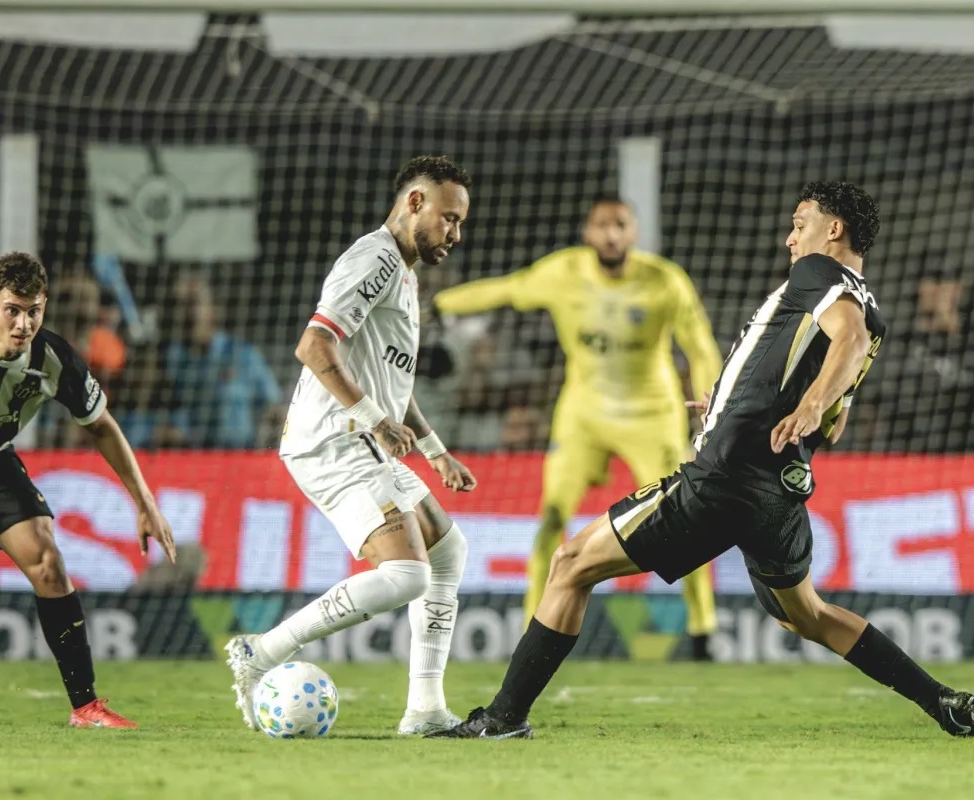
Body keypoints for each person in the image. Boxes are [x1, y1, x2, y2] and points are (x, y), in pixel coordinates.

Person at [430, 181, 974, 740]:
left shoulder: (819, 273)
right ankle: (940, 700)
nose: (790, 239)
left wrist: (806, 404)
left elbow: (841, 345)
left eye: (799, 225)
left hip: (727, 476)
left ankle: (503, 719)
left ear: (834, 229)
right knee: (807, 615)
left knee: (570, 563)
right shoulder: (874, 313)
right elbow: (835, 421)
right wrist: (736, 404)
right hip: (779, 490)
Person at [225, 155, 479, 736]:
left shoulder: (404, 274)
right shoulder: (374, 260)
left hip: (362, 436)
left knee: (448, 552)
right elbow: (314, 346)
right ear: (415, 202)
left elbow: (392, 385)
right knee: (408, 575)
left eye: (461, 223)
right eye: (449, 218)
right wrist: (373, 419)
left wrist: (435, 450)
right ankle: (262, 652)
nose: (455, 234)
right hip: (334, 438)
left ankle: (425, 710)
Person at [433, 196, 724, 659]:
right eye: (602, 225)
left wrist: (714, 403)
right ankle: (533, 630)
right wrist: (439, 305)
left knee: (682, 520)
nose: (611, 234)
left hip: (652, 416)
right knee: (551, 517)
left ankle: (702, 631)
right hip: (584, 415)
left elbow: (700, 345)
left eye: (620, 225)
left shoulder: (665, 281)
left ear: (633, 233)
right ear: (589, 233)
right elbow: (508, 289)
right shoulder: (563, 273)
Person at [0, 251, 176, 728]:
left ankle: (86, 707)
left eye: (33, 311)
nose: (24, 323)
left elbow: (101, 427)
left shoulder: (53, 358)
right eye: (12, 310)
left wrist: (144, 501)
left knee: (47, 562)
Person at [161, 273, 285, 449]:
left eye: (193, 302)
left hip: (239, 455)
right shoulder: (169, 360)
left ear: (213, 308)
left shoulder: (244, 356)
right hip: (189, 457)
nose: (187, 311)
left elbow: (275, 407)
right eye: (179, 304)